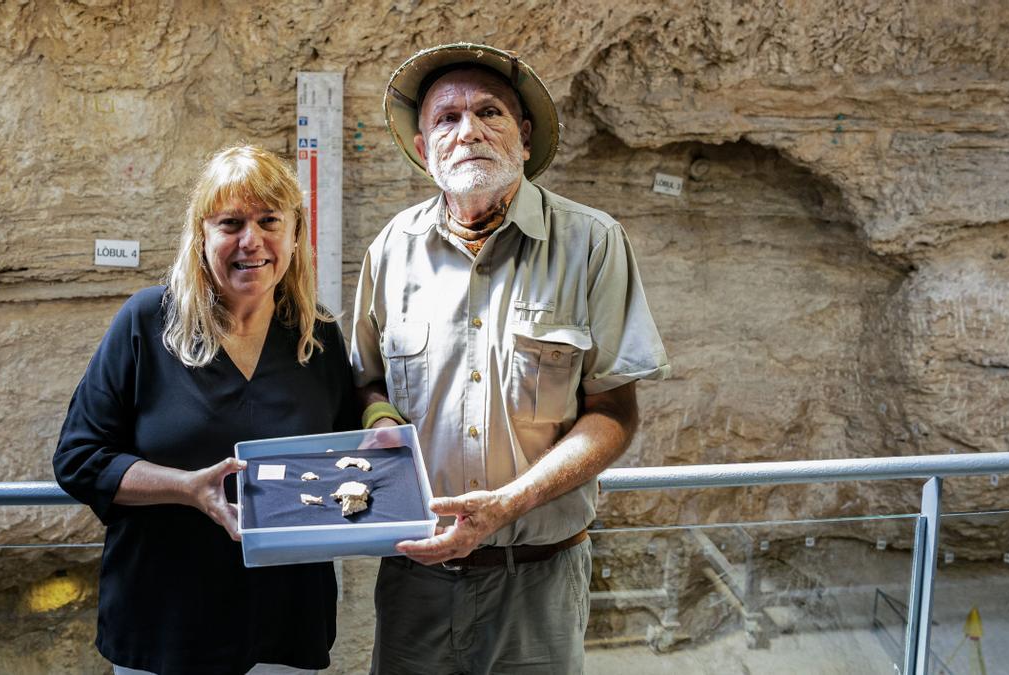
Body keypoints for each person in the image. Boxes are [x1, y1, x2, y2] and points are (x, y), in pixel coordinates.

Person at [351, 44, 671, 673]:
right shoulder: (390, 251)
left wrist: (509, 504)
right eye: (445, 119)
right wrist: (381, 421)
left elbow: (614, 412)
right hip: (416, 576)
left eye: (489, 112)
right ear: (423, 148)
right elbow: (365, 383)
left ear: (523, 139)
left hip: (539, 581)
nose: (467, 130)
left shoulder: (591, 244)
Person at [54, 145, 357, 675]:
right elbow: (79, 458)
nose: (252, 241)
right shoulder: (147, 323)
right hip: (164, 621)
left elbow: (351, 458)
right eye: (230, 223)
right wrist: (188, 488)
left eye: (269, 221)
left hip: (285, 622)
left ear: (295, 234)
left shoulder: (317, 337)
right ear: (201, 236)